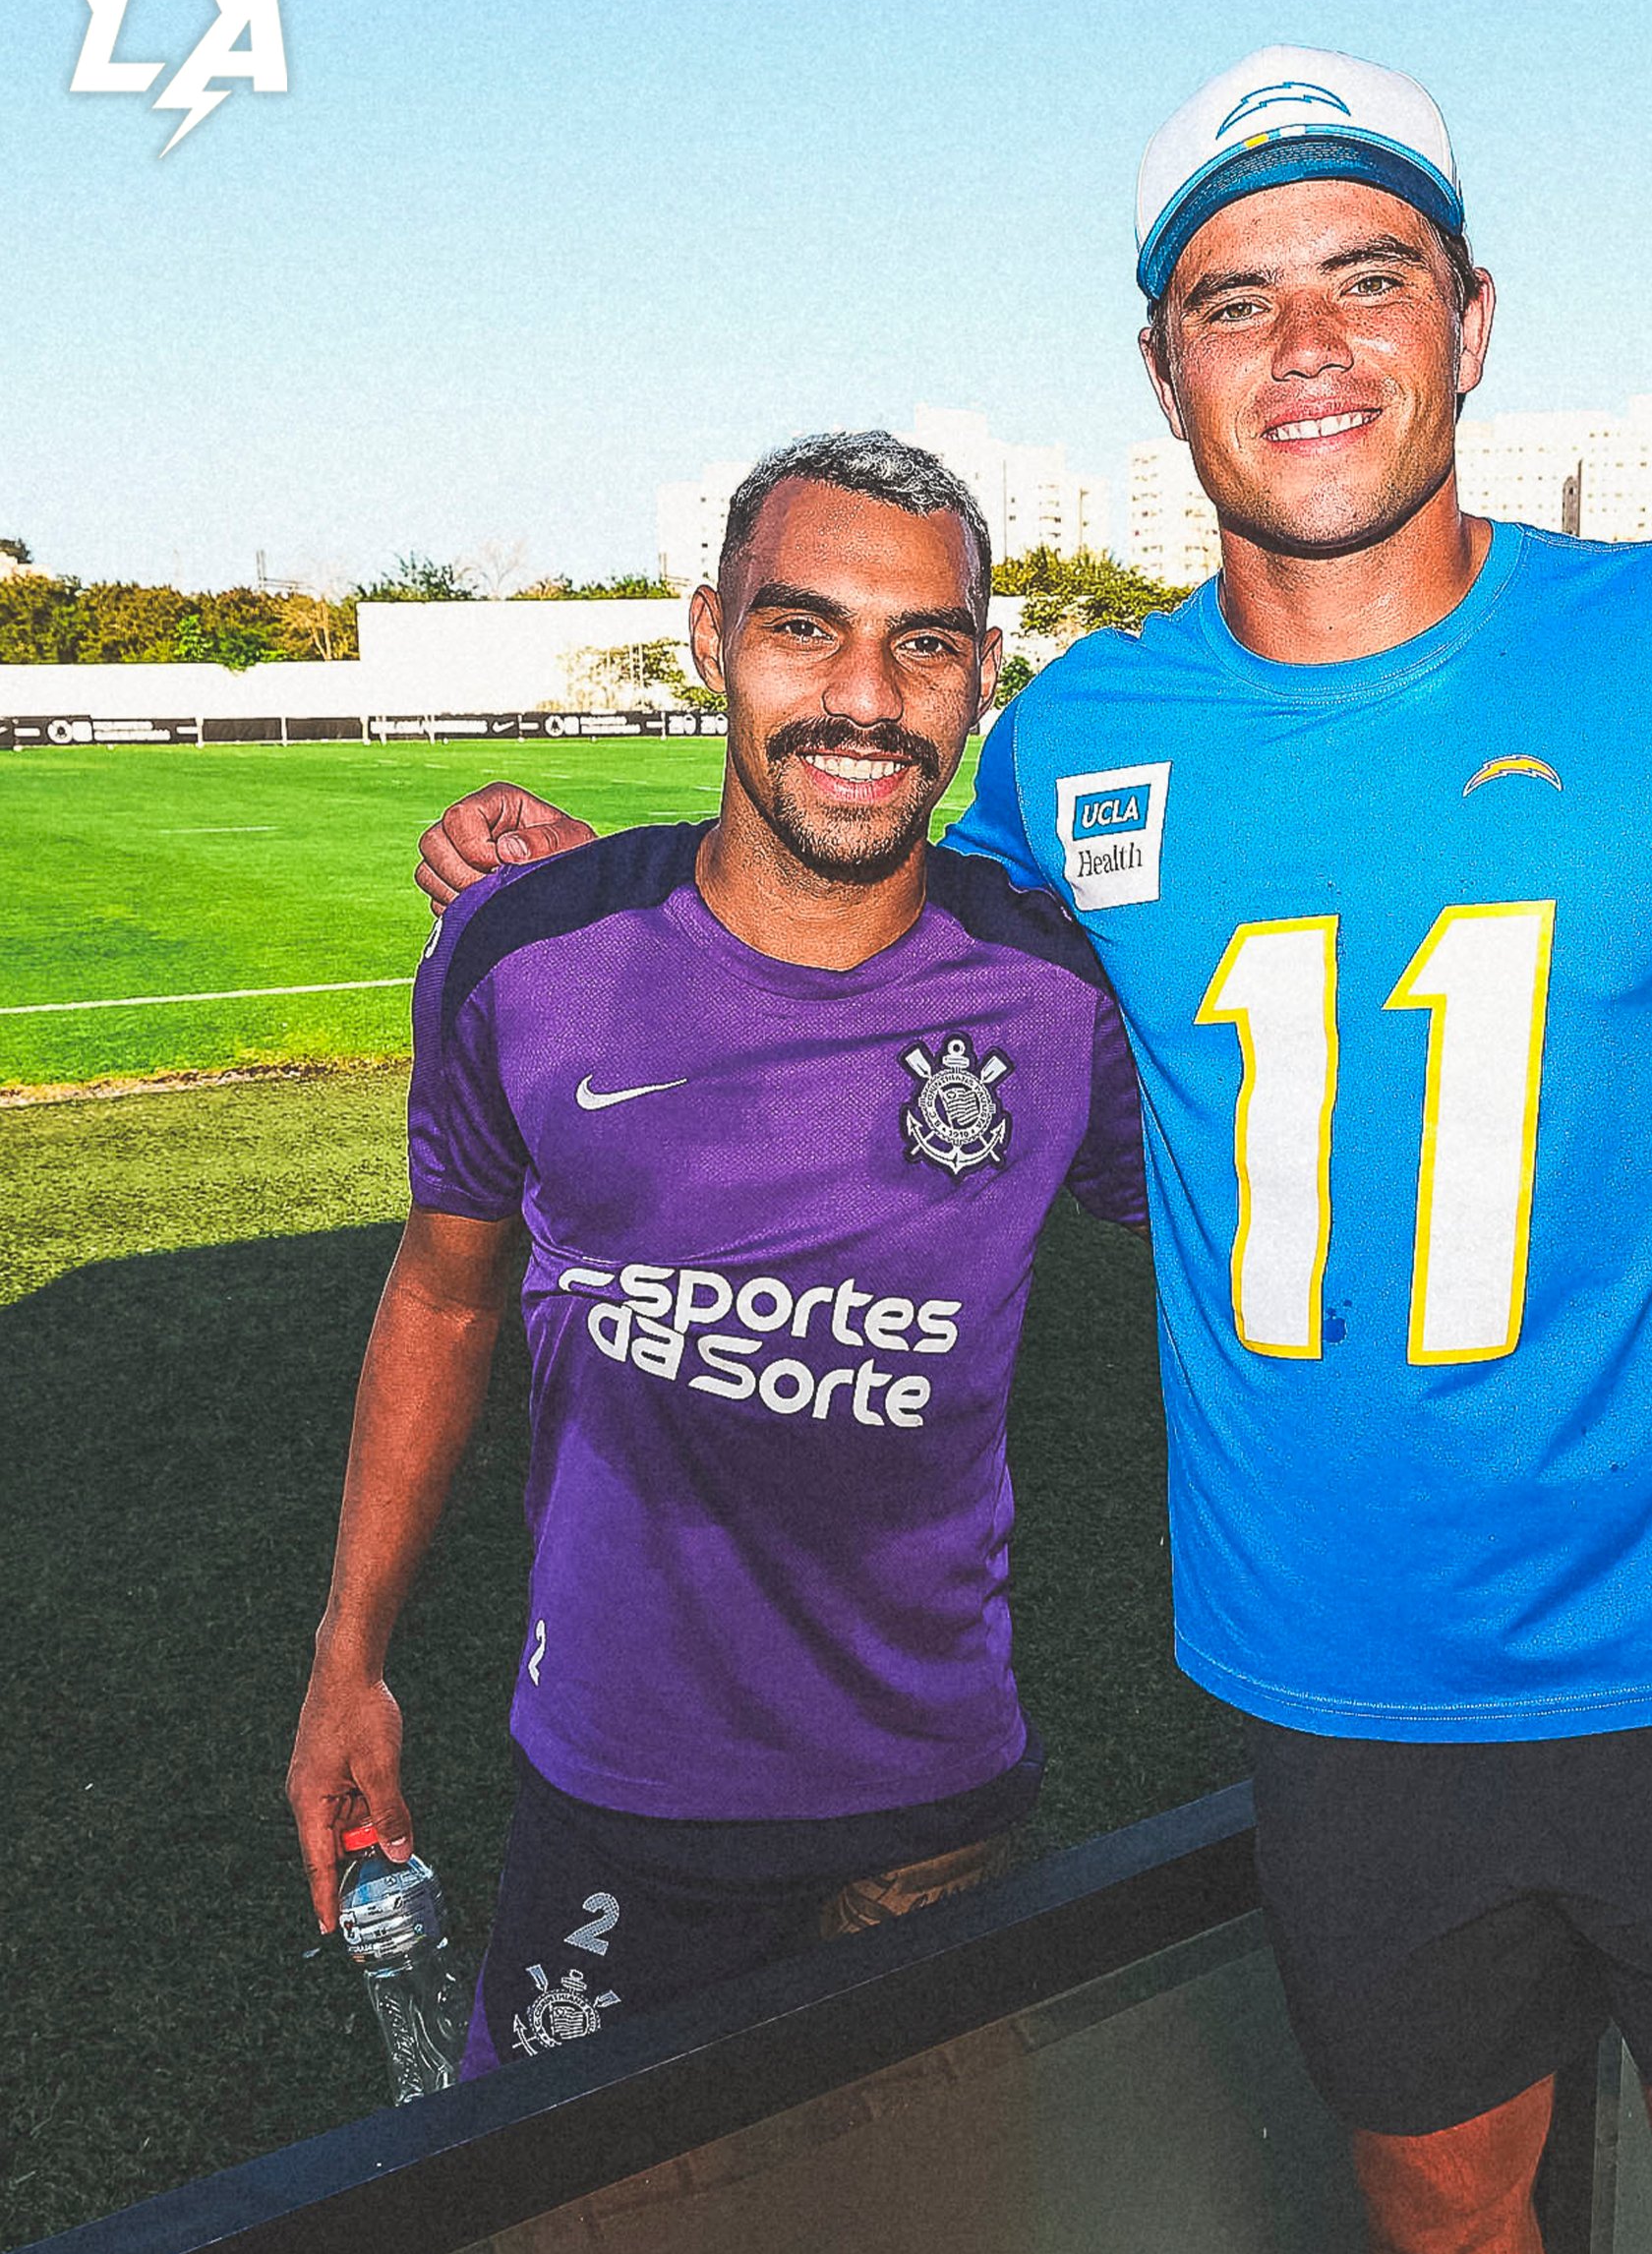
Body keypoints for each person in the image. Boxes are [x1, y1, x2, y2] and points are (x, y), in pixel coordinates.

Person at [413, 50, 1652, 2254]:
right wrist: (561, 884)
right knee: (1426, 2221)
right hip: (1336, 1679)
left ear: (1471, 323)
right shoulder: (1075, 747)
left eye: (1365, 278)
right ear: (1161, 368)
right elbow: (835, 898)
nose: (1305, 346)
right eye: (1232, 298)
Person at [288, 431, 1145, 2080]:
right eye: (802, 627)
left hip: (930, 1798)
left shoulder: (1058, 994)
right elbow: (443, 1294)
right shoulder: (527, 949)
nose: (867, 698)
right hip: (621, 1783)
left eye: (927, 644)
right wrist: (351, 1662)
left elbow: (1245, 1255)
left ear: (978, 678)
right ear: (710, 639)